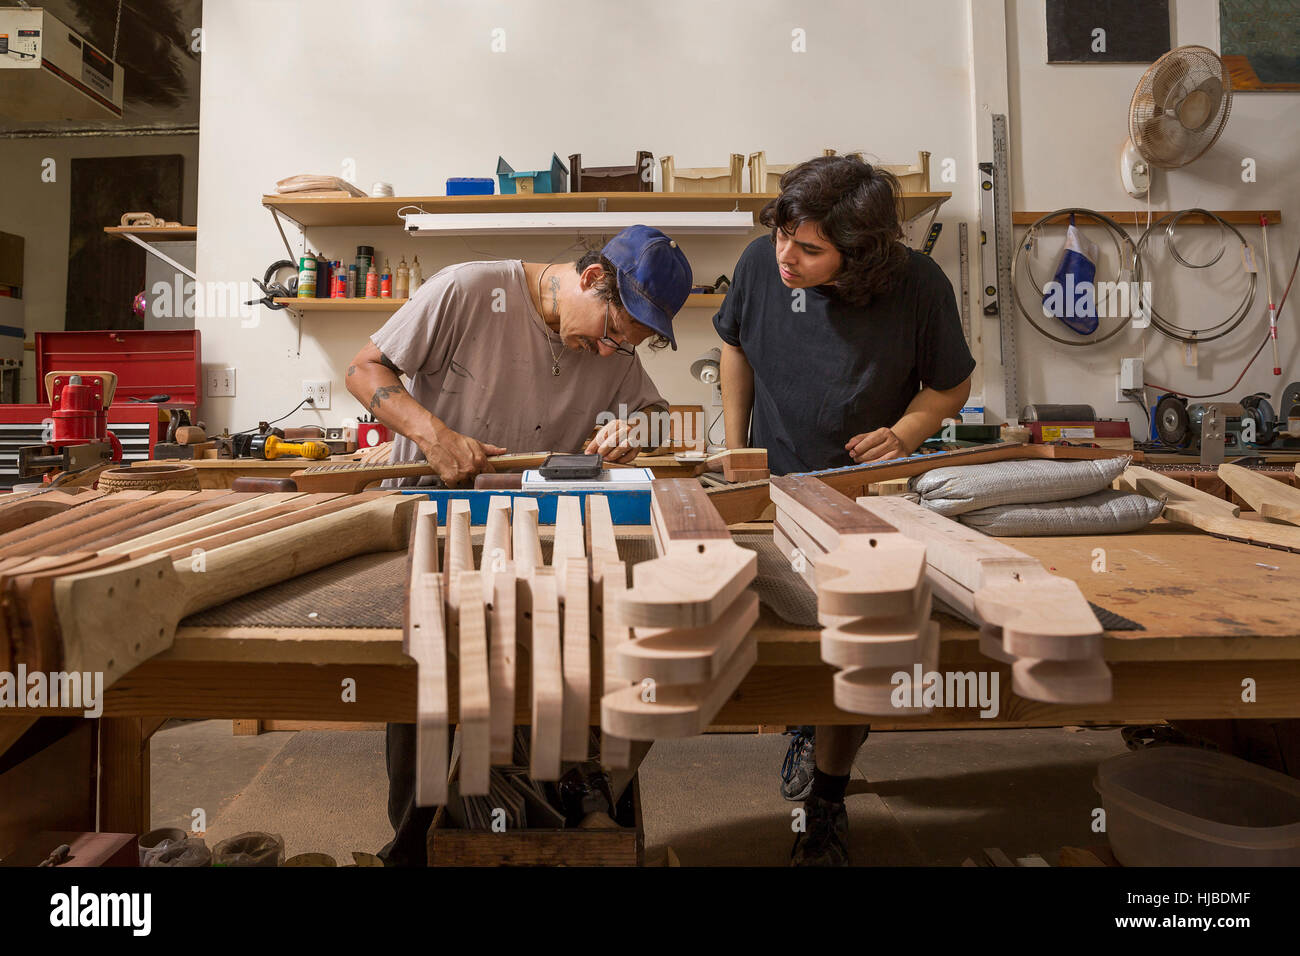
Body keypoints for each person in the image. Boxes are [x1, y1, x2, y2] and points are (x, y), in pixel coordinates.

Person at [346, 225, 693, 865]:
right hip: (435, 524)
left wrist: (634, 427)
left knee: (557, 681)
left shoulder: (609, 351)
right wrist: (434, 434)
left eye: (629, 347)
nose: (614, 352)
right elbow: (365, 369)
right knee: (426, 692)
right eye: (616, 333)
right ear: (592, 279)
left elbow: (659, 414)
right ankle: (416, 836)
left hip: (534, 537)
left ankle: (562, 821)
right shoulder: (469, 289)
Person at [713, 155, 975, 866]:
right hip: (773, 482)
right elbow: (734, 343)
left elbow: (950, 386)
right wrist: (737, 447)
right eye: (781, 237)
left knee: (857, 645)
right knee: (790, 635)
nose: (785, 258)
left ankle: (829, 795)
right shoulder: (761, 264)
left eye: (809, 250)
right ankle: (809, 722)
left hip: (866, 497)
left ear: (858, 255)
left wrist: (906, 432)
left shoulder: (918, 286)